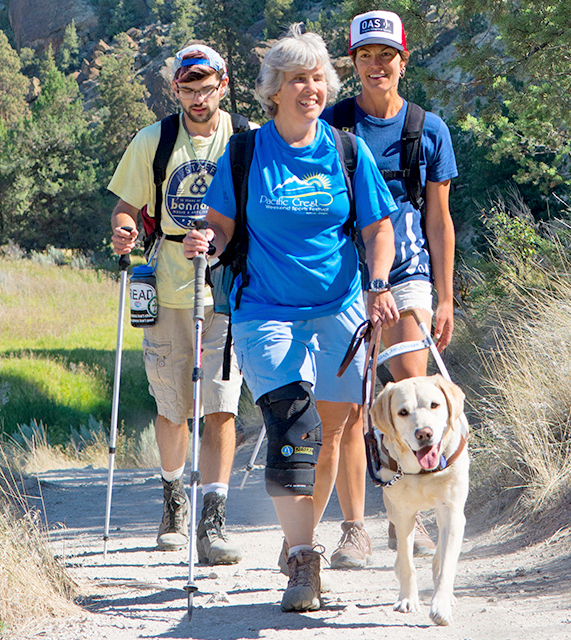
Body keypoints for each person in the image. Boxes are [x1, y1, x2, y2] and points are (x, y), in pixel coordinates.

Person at [183, 25, 399, 612]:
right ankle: (306, 560)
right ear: (274, 89)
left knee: (329, 436)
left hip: (341, 311)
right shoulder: (247, 151)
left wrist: (378, 285)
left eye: (318, 78)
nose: (311, 88)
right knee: (293, 429)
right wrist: (207, 237)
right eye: (298, 79)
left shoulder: (347, 151)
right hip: (266, 312)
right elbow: (223, 224)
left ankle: (294, 538)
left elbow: (378, 228)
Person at [316, 10, 460, 568]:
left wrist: (445, 297)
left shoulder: (429, 130)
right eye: (366, 56)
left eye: (386, 55)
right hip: (342, 271)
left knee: (412, 389)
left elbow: (439, 220)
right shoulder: (331, 125)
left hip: (407, 271)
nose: (377, 65)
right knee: (351, 405)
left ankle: (414, 513)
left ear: (403, 59)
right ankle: (355, 528)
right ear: (353, 63)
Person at [108, 44, 253, 566]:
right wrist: (124, 232)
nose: (198, 98)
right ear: (176, 90)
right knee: (172, 406)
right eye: (188, 89)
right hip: (168, 285)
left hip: (226, 288)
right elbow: (126, 209)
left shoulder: (245, 140)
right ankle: (174, 501)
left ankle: (212, 518)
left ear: (224, 83)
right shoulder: (155, 140)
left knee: (220, 404)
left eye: (206, 87)